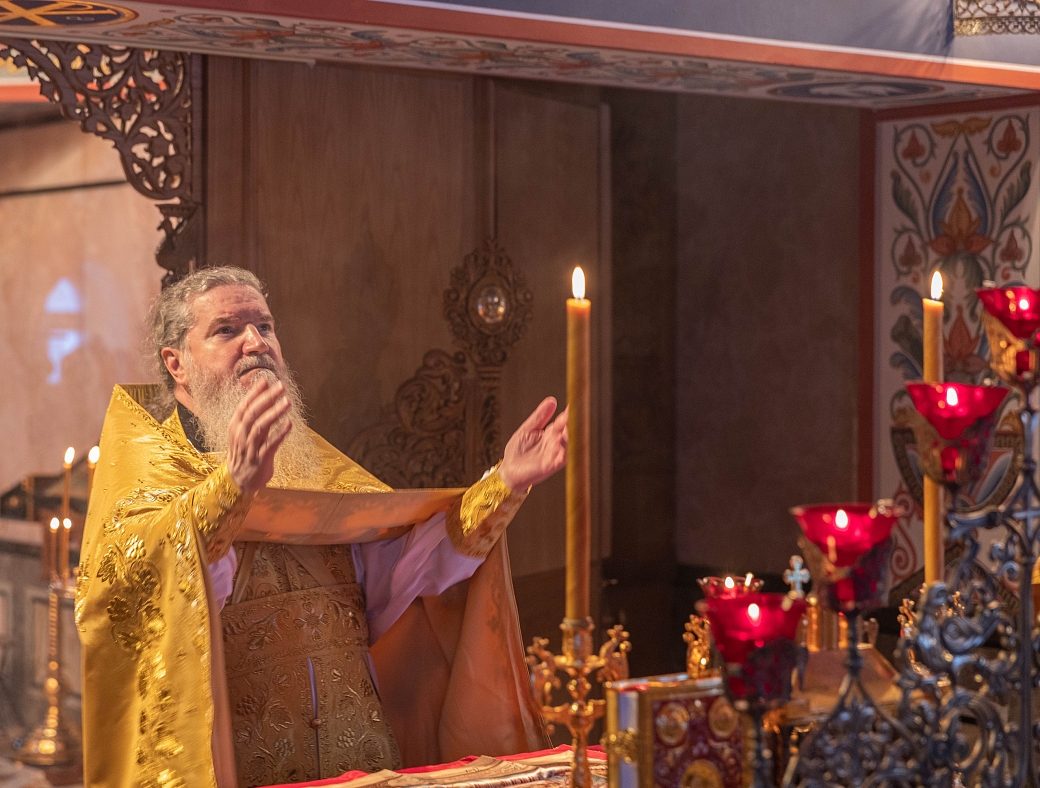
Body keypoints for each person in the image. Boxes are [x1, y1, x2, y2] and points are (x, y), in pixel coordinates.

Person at [76, 267, 569, 788]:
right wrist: (231, 488)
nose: (255, 343)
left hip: (363, 761)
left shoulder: (313, 463)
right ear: (176, 363)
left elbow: (408, 571)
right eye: (227, 330)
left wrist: (506, 483)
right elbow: (141, 593)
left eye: (265, 326)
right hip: (242, 767)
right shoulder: (151, 477)